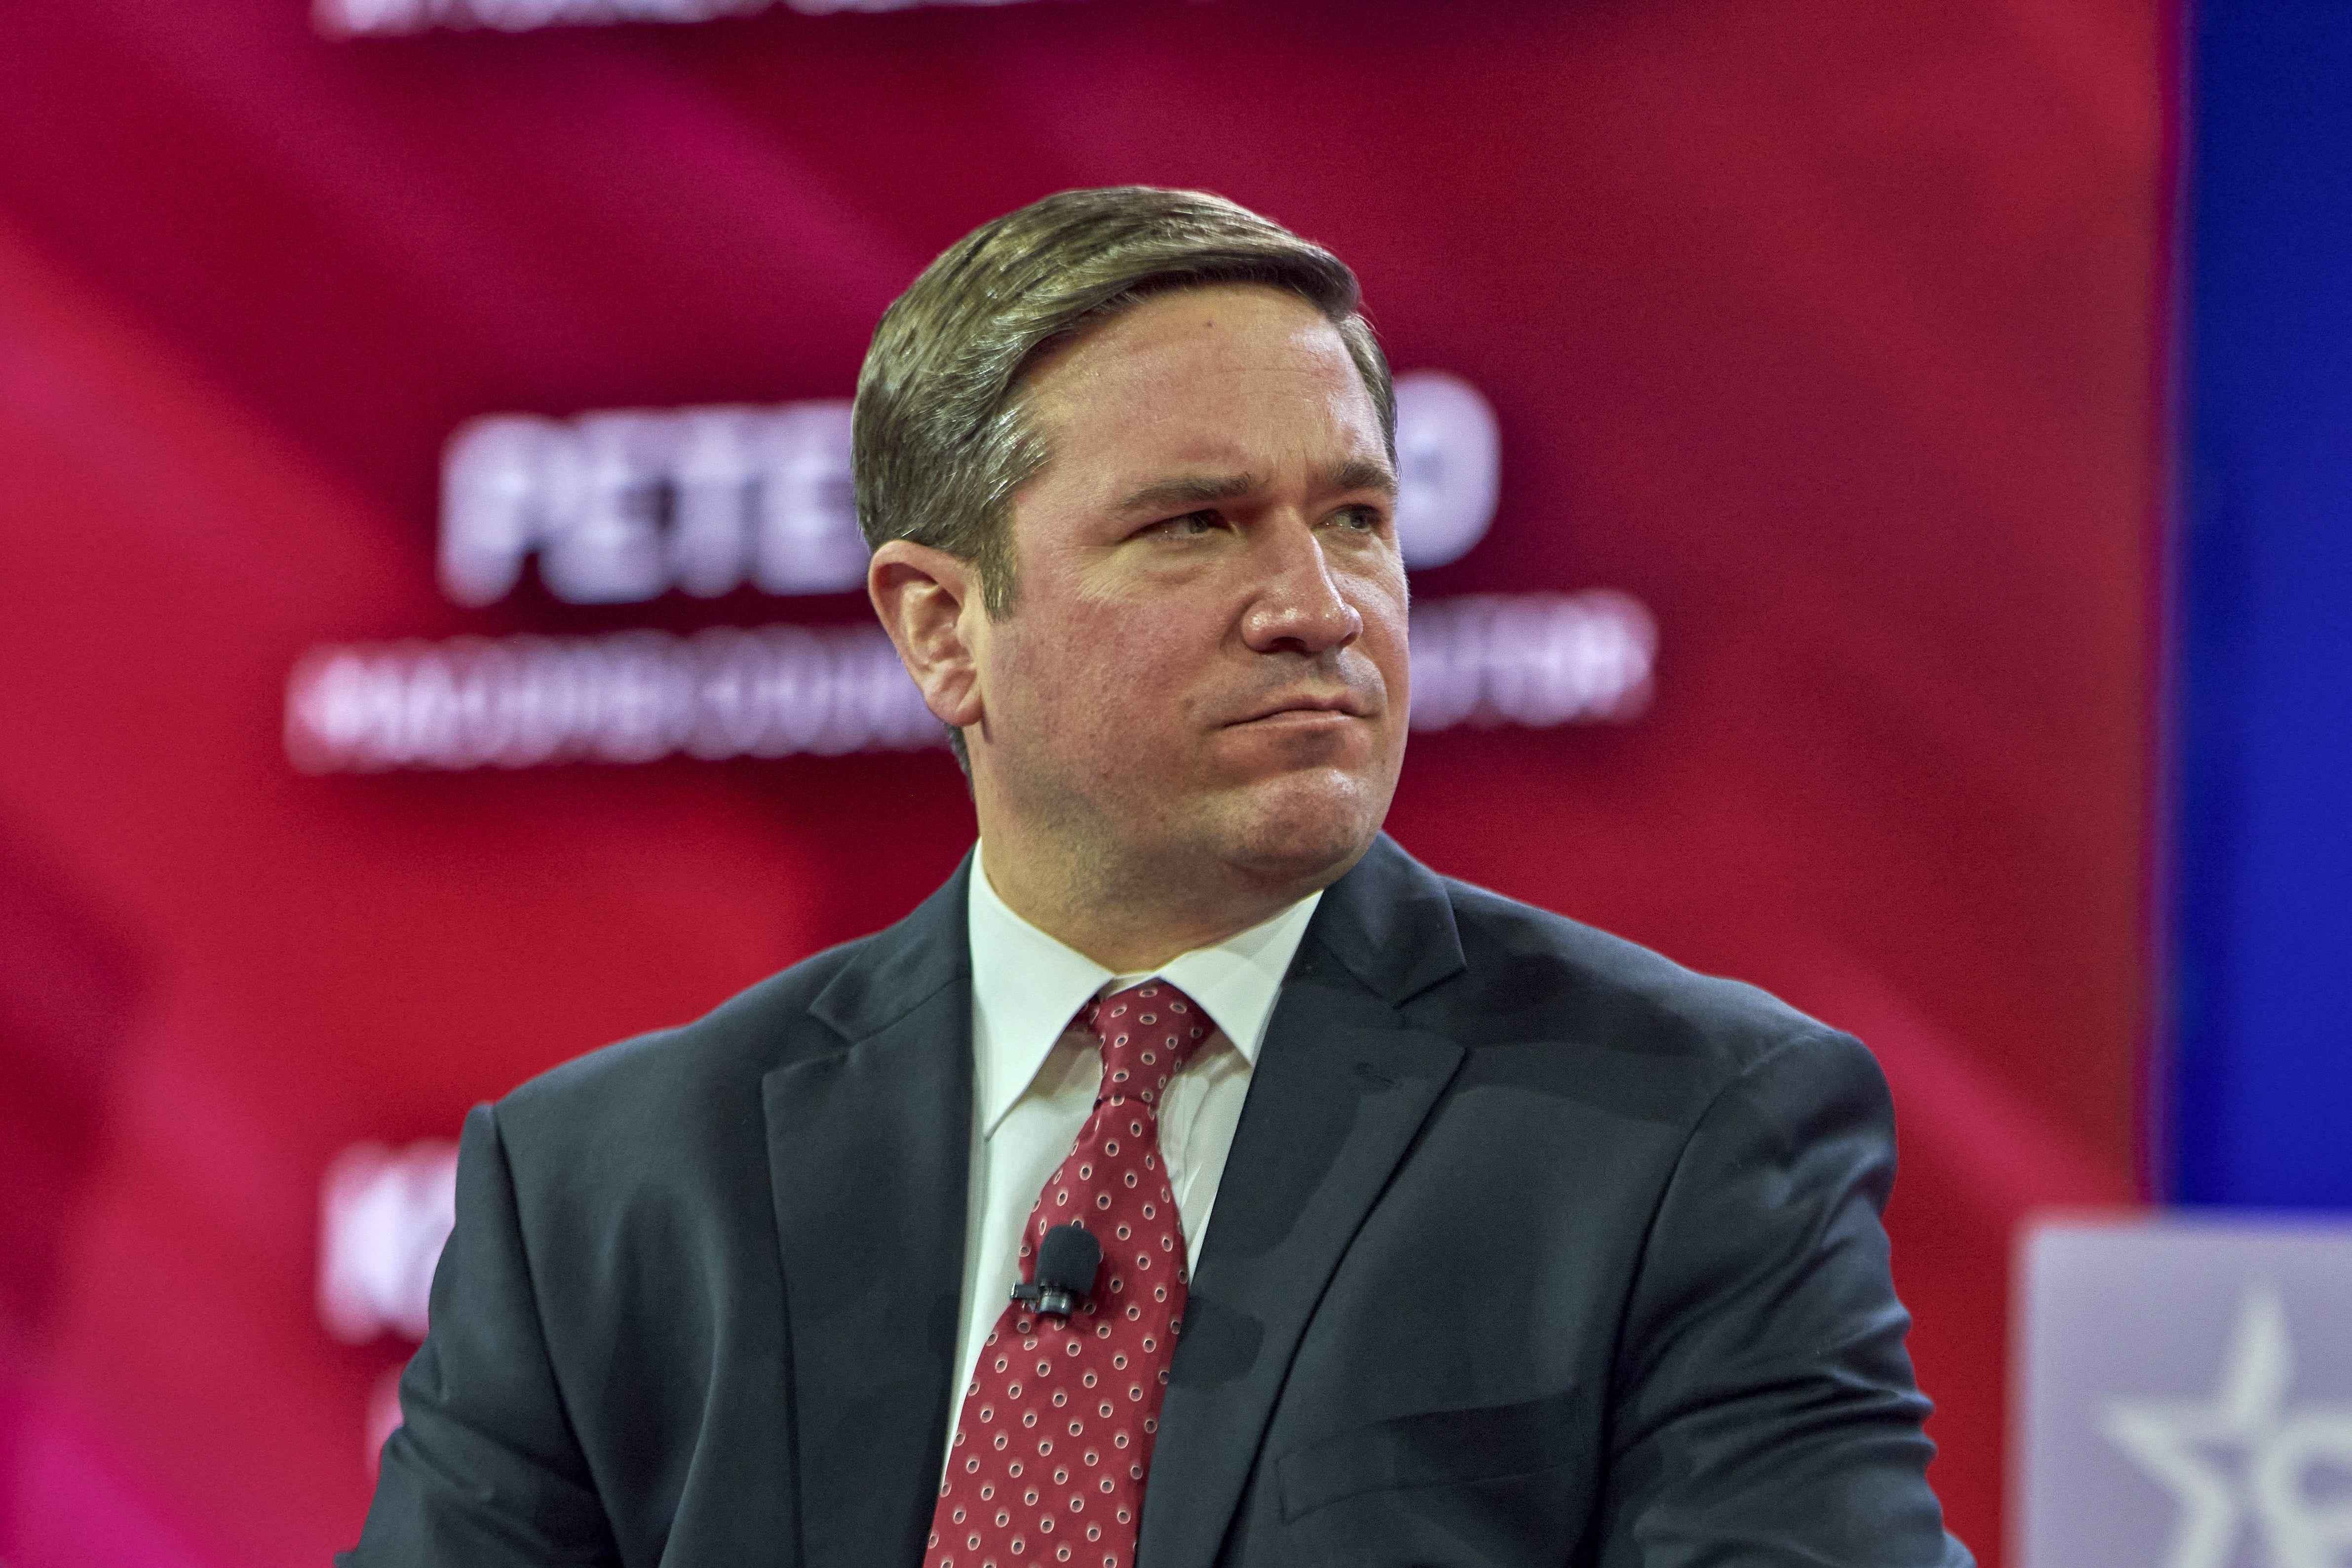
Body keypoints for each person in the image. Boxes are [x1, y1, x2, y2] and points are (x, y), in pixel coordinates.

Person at [344, 187, 1971, 1568]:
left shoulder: (1687, 1129)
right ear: (942, 628)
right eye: (1196, 524)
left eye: (1357, 516)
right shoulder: (602, 1193)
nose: (1318, 604)